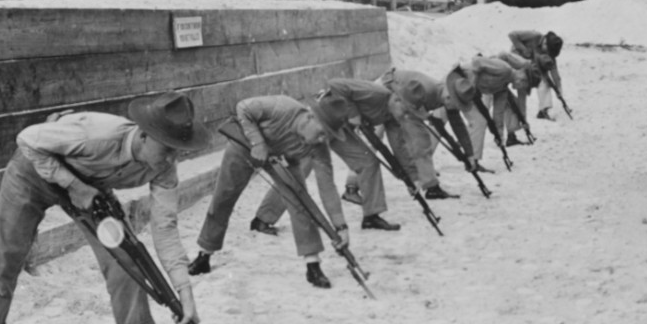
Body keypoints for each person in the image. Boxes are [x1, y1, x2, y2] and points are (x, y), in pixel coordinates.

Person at [0, 90, 212, 324]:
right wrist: (74, 186)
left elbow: (165, 228)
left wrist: (184, 290)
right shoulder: (94, 133)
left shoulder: (164, 169)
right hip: (32, 174)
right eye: (167, 149)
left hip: (91, 191)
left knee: (126, 258)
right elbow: (27, 139)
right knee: (6, 257)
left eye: (178, 150)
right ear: (144, 136)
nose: (171, 158)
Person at [188, 94, 350, 290]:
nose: (324, 140)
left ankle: (313, 265)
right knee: (223, 197)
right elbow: (243, 107)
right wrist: (258, 143)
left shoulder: (318, 145)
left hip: (282, 159)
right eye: (323, 133)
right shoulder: (282, 107)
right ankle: (204, 254)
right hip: (245, 145)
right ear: (310, 117)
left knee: (301, 202)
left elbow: (328, 187)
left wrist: (341, 226)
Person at [252, 78, 404, 235]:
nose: (405, 113)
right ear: (397, 98)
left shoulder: (390, 107)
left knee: (368, 161)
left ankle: (372, 215)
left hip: (340, 127)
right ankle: (263, 219)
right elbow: (337, 85)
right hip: (322, 121)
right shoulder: (376, 92)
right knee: (299, 170)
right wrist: (354, 114)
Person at [378, 66, 480, 200]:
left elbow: (458, 124)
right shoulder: (426, 89)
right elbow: (407, 106)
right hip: (388, 91)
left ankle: (426, 184)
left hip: (398, 96)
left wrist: (469, 154)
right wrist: (426, 116)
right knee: (419, 141)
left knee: (404, 141)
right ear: (450, 97)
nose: (456, 108)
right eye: (457, 104)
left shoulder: (446, 95)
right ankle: (430, 187)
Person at [464, 55, 529, 159]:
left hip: (466, 91)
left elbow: (498, 113)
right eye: (524, 85)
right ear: (522, 79)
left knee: (479, 119)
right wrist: (472, 86)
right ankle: (471, 157)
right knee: (440, 117)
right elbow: (477, 61)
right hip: (460, 78)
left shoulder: (503, 88)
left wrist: (499, 136)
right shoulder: (505, 69)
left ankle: (472, 159)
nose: (521, 89)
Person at [507, 29, 565, 120]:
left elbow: (555, 73)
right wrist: (523, 49)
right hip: (516, 60)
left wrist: (559, 91)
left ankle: (544, 110)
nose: (548, 54)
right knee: (522, 87)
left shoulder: (550, 52)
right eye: (548, 51)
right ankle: (522, 118)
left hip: (532, 65)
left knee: (545, 81)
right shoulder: (534, 35)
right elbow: (511, 34)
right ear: (545, 43)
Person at [495, 50, 542, 145]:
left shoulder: (525, 78)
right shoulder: (520, 64)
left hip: (501, 81)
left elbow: (522, 104)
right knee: (485, 109)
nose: (522, 86)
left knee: (511, 105)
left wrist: (524, 121)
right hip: (491, 77)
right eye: (523, 83)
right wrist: (502, 74)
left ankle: (511, 136)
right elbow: (502, 55)